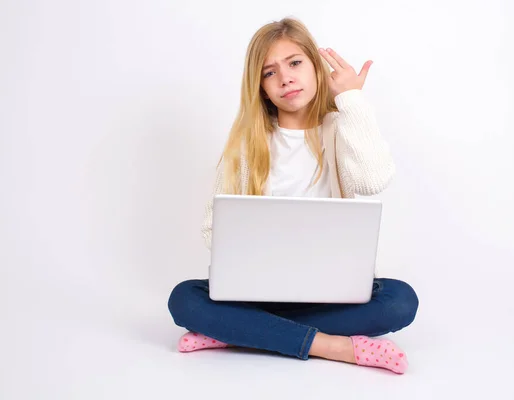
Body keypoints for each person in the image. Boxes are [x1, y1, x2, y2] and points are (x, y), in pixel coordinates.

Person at [168, 17, 419, 374]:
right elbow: (213, 229)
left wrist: (351, 98)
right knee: (183, 298)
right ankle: (332, 346)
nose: (285, 77)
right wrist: (256, 248)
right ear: (261, 88)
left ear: (317, 68)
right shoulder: (245, 144)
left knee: (400, 301)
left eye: (295, 63)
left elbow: (373, 178)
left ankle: (240, 332)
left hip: (327, 294)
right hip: (256, 292)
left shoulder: (338, 129)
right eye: (270, 73)